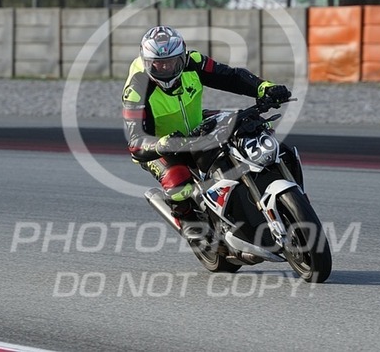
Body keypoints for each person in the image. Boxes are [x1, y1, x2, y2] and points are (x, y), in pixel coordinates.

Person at [122, 25, 291, 240]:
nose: (165, 68)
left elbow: (231, 76)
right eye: (158, 63)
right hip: (159, 146)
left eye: (172, 62)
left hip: (196, 127)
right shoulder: (136, 90)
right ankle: (189, 221)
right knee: (179, 183)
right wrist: (162, 144)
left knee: (250, 128)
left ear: (183, 57)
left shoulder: (194, 61)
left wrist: (264, 88)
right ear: (146, 62)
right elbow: (135, 142)